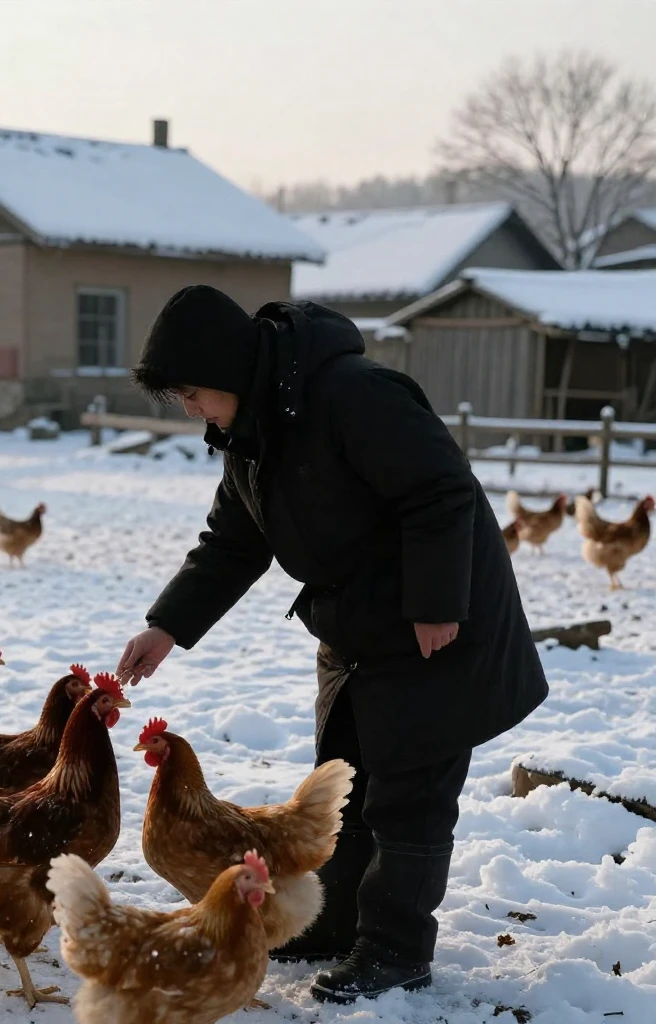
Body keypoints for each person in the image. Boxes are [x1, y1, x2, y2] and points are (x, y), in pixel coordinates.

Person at [116, 285, 548, 1004]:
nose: (190, 410)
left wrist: (438, 603)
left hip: (436, 629)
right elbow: (232, 540)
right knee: (346, 784)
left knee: (409, 794)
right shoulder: (252, 435)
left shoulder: (356, 395)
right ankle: (340, 923)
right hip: (358, 636)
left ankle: (396, 949)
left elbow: (441, 490)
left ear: (226, 367)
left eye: (191, 393)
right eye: (178, 400)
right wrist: (167, 626)